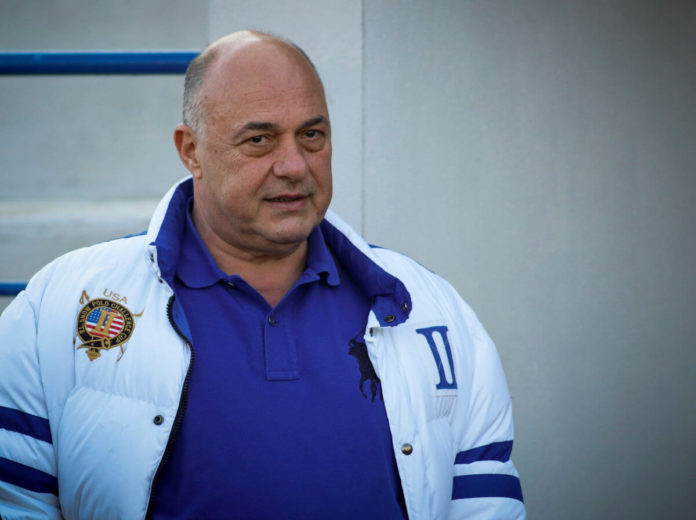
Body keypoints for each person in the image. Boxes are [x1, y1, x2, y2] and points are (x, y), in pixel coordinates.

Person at [0, 30, 525, 519]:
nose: (294, 165)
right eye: (260, 140)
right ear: (191, 151)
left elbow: (485, 504)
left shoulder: (430, 309)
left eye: (312, 135)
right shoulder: (61, 306)